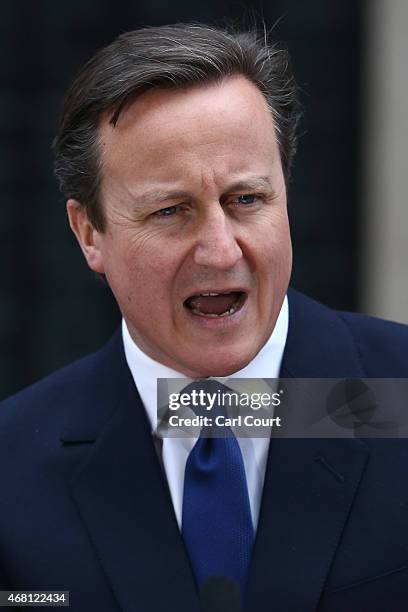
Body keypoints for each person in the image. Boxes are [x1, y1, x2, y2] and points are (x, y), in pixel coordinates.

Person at [0, 23, 407, 612]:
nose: (220, 251)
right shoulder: (12, 468)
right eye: (171, 211)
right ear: (89, 233)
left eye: (246, 200)